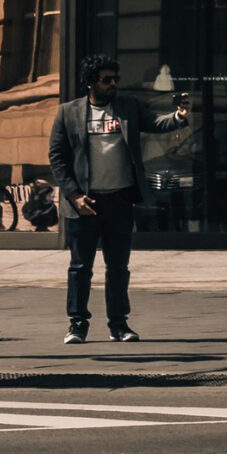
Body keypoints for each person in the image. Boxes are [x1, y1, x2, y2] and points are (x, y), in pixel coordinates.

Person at [47, 53, 188, 344]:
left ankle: (119, 324)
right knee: (80, 267)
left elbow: (156, 123)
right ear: (90, 83)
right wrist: (74, 196)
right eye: (106, 80)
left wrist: (179, 117)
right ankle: (77, 324)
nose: (113, 84)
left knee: (118, 267)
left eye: (115, 79)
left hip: (119, 200)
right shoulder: (68, 113)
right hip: (84, 203)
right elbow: (57, 158)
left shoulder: (127, 107)